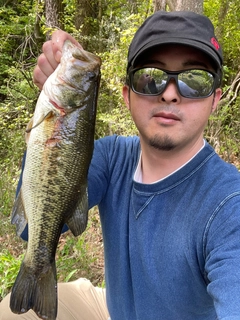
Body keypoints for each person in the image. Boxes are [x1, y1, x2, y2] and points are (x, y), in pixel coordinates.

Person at [1, 10, 240, 320]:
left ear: (215, 99)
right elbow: (29, 228)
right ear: (128, 95)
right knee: (12, 313)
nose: (169, 93)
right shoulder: (112, 157)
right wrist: (53, 107)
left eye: (194, 80)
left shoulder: (229, 204)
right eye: (150, 77)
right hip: (113, 310)